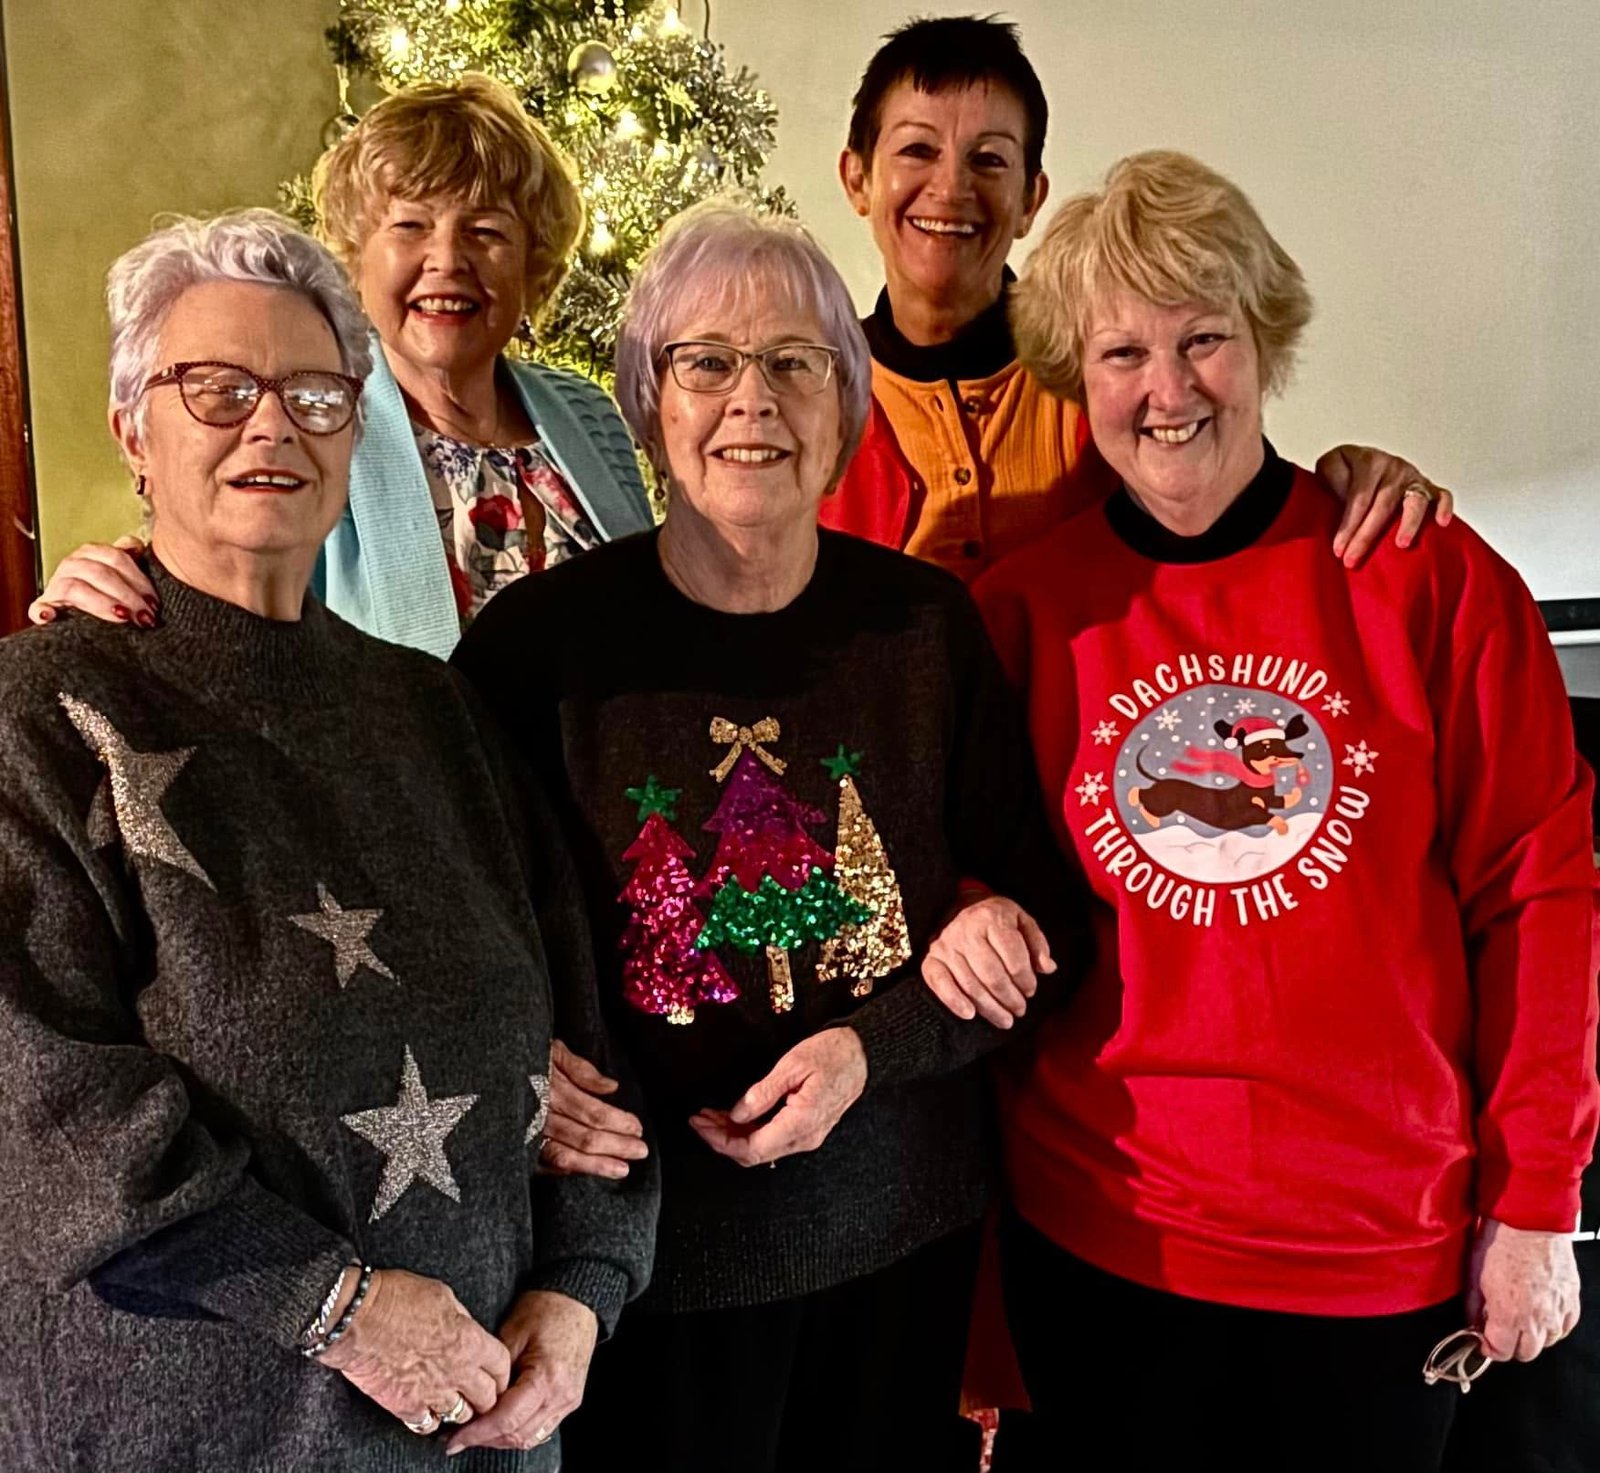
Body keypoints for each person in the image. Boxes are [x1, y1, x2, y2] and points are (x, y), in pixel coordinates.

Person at [928, 150, 1598, 1472]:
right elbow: (954, 862)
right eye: (1122, 353)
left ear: (1265, 343)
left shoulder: (1427, 578)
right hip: (1101, 1240)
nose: (1167, 390)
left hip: (1373, 1254)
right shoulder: (1021, 612)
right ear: (1078, 378)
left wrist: (1536, 1203)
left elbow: (1541, 895)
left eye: (1203, 340)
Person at [0, 210, 655, 1471]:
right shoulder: (42, 718)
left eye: (312, 394)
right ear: (134, 431)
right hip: (198, 1436)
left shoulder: (438, 712)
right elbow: (37, 1109)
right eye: (216, 388)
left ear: (358, 430)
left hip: (484, 1430)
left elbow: (584, 1049)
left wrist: (585, 1285)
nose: (271, 425)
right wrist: (334, 1308)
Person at [450, 199, 1089, 1473]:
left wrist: (875, 1047)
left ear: (845, 408)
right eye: (707, 363)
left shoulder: (923, 631)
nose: (753, 400)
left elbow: (1043, 916)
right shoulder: (536, 653)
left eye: (796, 362)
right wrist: (517, 1066)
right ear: (648, 407)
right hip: (645, 1270)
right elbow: (456, 933)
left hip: (898, 1245)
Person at [28, 74, 652, 656]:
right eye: (410, 225)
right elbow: (211, 579)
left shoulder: (588, 414)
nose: (447, 260)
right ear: (356, 256)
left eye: (486, 231)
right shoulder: (312, 417)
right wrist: (110, 580)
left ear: (533, 263)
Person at [822, 14, 1451, 581]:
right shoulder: (812, 395)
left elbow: (1235, 519)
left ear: (1031, 199)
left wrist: (1361, 484)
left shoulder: (1103, 370)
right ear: (857, 179)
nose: (951, 187)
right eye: (917, 150)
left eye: (989, 160)